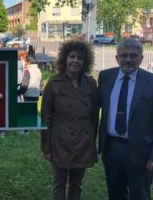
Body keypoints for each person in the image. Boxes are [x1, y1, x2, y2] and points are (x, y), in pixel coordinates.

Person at [98, 38, 153, 200]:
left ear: (141, 58)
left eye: (133, 56)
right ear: (117, 58)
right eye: (123, 55)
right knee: (115, 194)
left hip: (141, 151)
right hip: (112, 149)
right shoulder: (106, 77)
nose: (128, 60)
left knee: (140, 195)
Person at [41, 40, 98, 200]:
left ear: (85, 61)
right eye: (72, 56)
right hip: (60, 141)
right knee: (59, 184)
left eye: (80, 58)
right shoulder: (53, 84)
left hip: (83, 141)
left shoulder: (91, 84)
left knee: (77, 184)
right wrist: (46, 147)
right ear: (65, 59)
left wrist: (92, 143)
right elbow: (46, 117)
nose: (75, 61)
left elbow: (94, 116)